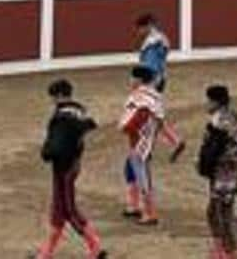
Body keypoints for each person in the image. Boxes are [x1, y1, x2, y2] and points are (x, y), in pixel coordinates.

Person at [35, 78, 108, 259]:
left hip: (63, 167)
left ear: (59, 96)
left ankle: (96, 247)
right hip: (73, 164)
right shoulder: (78, 112)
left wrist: (47, 152)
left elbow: (57, 146)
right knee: (59, 210)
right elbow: (87, 125)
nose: (52, 101)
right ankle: (45, 253)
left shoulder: (62, 118)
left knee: (68, 209)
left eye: (53, 97)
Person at [197, 83, 237, 259]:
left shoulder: (217, 121)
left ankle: (230, 252)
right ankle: (221, 250)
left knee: (220, 213)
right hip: (233, 169)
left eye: (209, 101)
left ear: (216, 102)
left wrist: (204, 165)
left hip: (221, 172)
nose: (207, 104)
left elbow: (212, 150)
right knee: (216, 211)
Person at [134, 13, 187, 160]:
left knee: (147, 114)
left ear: (147, 26)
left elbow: (150, 66)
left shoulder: (151, 43)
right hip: (160, 79)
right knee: (152, 115)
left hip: (151, 81)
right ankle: (157, 146)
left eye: (140, 29)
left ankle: (166, 144)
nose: (139, 32)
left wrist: (141, 82)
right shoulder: (161, 39)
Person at [119, 65, 164, 226]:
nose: (130, 80)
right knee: (136, 172)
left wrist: (127, 127)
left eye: (132, 77)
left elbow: (140, 116)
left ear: (138, 79)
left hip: (140, 143)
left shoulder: (141, 98)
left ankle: (150, 213)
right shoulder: (152, 96)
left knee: (143, 177)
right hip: (143, 141)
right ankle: (138, 207)